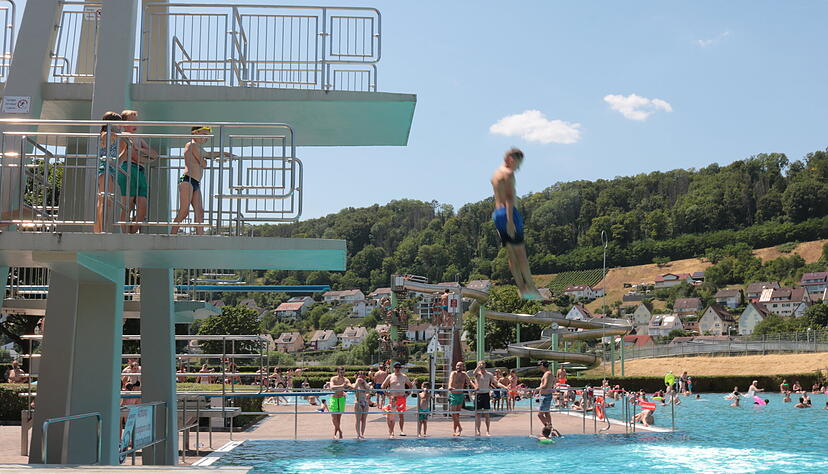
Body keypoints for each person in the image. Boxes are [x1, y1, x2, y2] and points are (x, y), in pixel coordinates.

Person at [490, 148, 540, 299]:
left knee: (512, 256)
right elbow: (510, 199)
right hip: (508, 214)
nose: (518, 167)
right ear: (511, 159)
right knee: (521, 255)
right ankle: (531, 288)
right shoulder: (508, 174)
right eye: (518, 163)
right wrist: (511, 222)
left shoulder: (495, 174)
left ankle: (522, 290)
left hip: (497, 215)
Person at [171, 126, 231, 234]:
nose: (206, 138)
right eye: (203, 135)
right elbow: (203, 163)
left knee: (200, 212)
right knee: (184, 211)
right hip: (187, 180)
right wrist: (205, 160)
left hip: (195, 183)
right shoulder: (191, 144)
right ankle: (172, 234)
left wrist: (225, 153)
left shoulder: (199, 148)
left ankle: (200, 236)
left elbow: (208, 155)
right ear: (195, 133)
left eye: (207, 136)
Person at [118, 110, 159, 233]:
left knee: (142, 208)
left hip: (140, 171)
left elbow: (155, 155)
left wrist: (141, 149)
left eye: (136, 121)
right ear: (124, 123)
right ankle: (125, 235)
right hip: (128, 169)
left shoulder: (137, 138)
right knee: (128, 205)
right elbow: (134, 156)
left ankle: (130, 232)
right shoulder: (123, 135)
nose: (135, 124)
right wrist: (146, 159)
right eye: (132, 121)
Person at [94, 112, 128, 233]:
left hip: (112, 169)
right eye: (118, 123)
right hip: (104, 168)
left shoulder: (117, 136)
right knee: (104, 200)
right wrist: (124, 136)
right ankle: (100, 230)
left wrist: (126, 147)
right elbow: (109, 136)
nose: (120, 125)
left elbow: (121, 159)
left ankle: (100, 229)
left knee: (106, 201)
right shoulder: (105, 134)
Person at [472, 360, 507, 437]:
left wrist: (505, 387)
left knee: (486, 414)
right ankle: (478, 430)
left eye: (483, 364)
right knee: (478, 414)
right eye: (480, 365)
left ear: (485, 365)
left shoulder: (489, 375)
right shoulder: (477, 374)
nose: (482, 366)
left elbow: (496, 383)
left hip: (486, 395)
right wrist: (478, 366)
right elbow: (473, 373)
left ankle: (487, 431)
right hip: (478, 395)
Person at [381, 362, 413, 438]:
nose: (397, 369)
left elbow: (410, 385)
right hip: (393, 398)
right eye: (396, 367)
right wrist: (387, 394)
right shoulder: (390, 376)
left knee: (401, 415)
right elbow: (383, 386)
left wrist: (407, 394)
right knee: (391, 416)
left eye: (399, 367)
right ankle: (391, 432)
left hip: (402, 397)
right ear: (394, 368)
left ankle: (401, 431)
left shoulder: (404, 376)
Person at [447, 361, 473, 436]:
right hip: (453, 395)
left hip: (460, 395)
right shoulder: (453, 373)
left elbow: (470, 381)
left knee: (457, 414)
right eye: (457, 366)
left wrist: (475, 387)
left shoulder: (464, 374)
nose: (458, 367)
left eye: (460, 366)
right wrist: (450, 386)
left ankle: (456, 431)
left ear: (463, 367)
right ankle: (460, 427)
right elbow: (450, 380)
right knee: (453, 413)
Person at [328, 367, 350, 439]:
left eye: (343, 372)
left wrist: (350, 386)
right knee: (334, 418)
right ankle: (340, 431)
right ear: (338, 372)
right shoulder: (333, 379)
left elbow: (350, 385)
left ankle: (335, 433)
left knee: (338, 418)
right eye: (341, 372)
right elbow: (332, 387)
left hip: (341, 399)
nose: (342, 374)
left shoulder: (345, 380)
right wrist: (341, 386)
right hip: (334, 398)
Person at [536, 361, 555, 432]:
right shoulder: (550, 373)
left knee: (540, 415)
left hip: (545, 396)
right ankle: (550, 428)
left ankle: (548, 429)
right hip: (546, 395)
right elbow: (552, 384)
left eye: (539, 365)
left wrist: (537, 388)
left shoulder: (547, 374)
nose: (539, 367)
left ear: (543, 365)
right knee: (547, 413)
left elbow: (545, 385)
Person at [352, 371, 371, 439]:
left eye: (363, 376)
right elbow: (353, 388)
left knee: (364, 419)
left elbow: (368, 389)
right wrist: (357, 381)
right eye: (360, 376)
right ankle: (358, 434)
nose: (361, 378)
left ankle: (362, 434)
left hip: (365, 402)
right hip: (358, 402)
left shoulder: (365, 384)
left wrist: (364, 381)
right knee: (358, 419)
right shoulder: (355, 384)